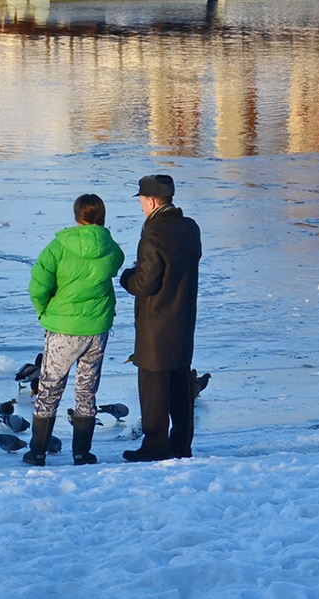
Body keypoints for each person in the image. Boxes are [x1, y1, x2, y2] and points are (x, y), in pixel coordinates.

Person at [25, 194, 124, 466]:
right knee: (86, 390)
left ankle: (37, 452)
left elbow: (38, 286)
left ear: (76, 215)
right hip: (97, 328)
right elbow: (115, 265)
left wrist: (44, 312)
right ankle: (82, 453)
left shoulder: (57, 247)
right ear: (102, 216)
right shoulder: (111, 248)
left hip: (63, 329)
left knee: (49, 388)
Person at [120, 174, 201, 462]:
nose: (141, 207)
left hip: (156, 323)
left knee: (153, 387)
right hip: (183, 317)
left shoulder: (153, 234)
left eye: (142, 201)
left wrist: (126, 277)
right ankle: (180, 444)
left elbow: (145, 283)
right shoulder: (190, 228)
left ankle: (155, 446)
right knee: (180, 383)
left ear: (152, 201)